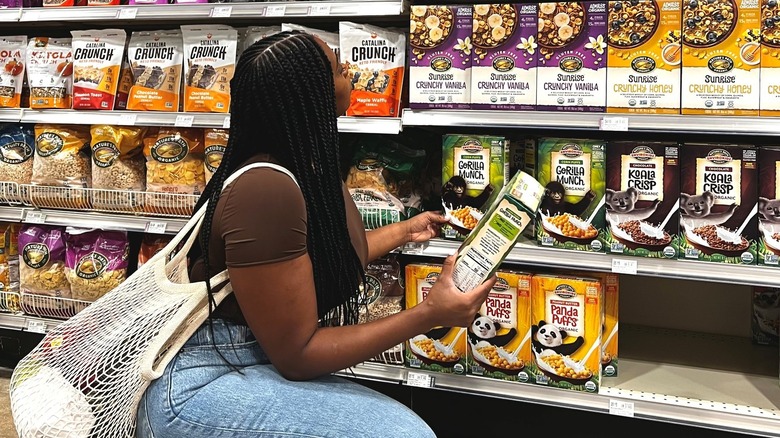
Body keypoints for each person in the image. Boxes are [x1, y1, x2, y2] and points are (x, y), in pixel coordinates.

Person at [135, 30, 496, 438]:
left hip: (251, 357)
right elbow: (298, 355)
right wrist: (430, 315)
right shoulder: (266, 191)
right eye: (341, 71)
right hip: (200, 382)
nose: (352, 77)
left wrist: (403, 231)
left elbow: (325, 261)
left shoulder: (307, 160)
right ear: (314, 95)